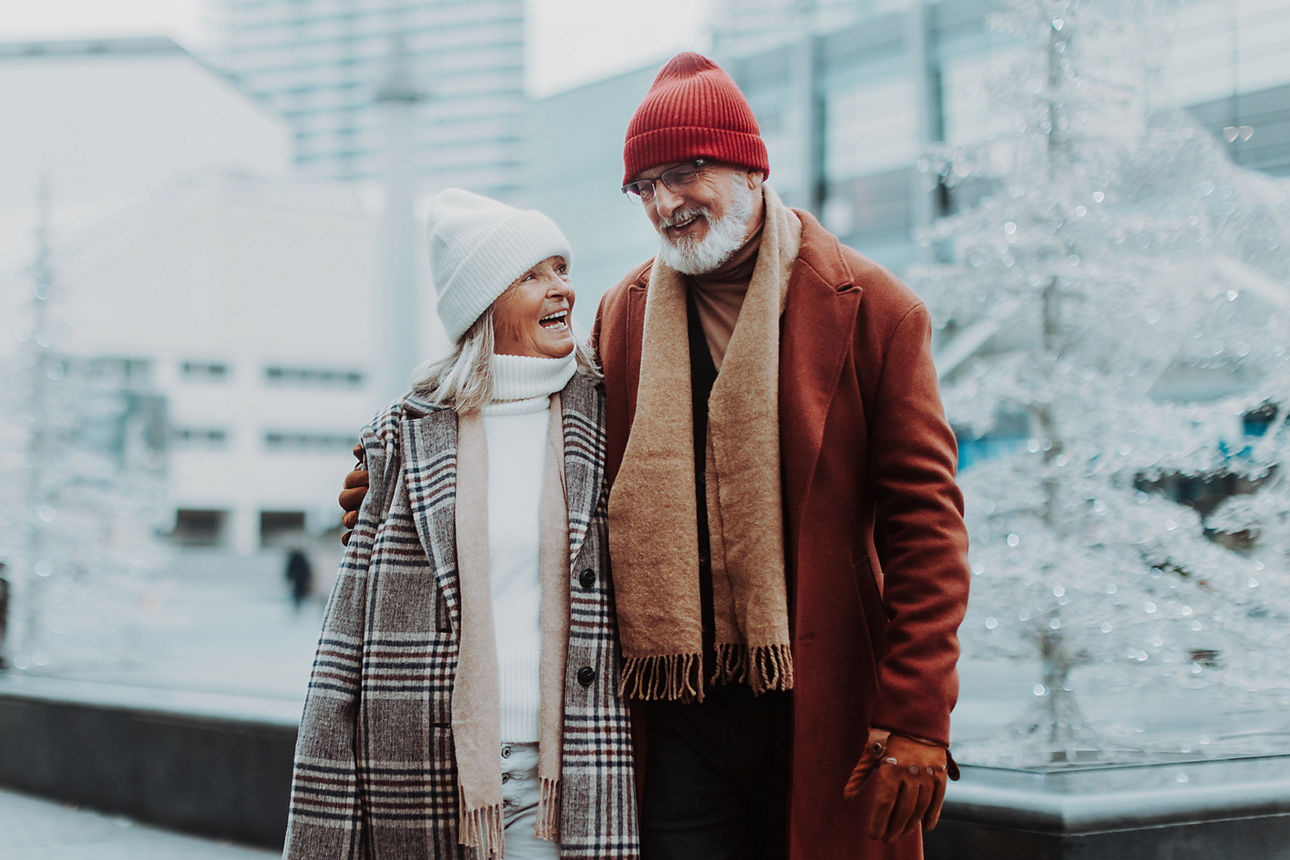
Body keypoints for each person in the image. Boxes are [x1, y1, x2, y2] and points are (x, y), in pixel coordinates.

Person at [342, 54, 970, 860]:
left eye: (684, 173)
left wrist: (918, 714)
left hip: (822, 703)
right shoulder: (626, 311)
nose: (666, 204)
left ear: (750, 165)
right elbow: (539, 424)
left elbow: (927, 529)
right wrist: (397, 469)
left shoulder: (877, 308)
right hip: (672, 711)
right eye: (644, 188)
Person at [289, 189, 639, 859]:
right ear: (483, 303)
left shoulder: (610, 415)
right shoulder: (406, 435)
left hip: (567, 778)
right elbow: (346, 641)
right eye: (532, 275)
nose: (561, 288)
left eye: (561, 268)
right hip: (423, 775)